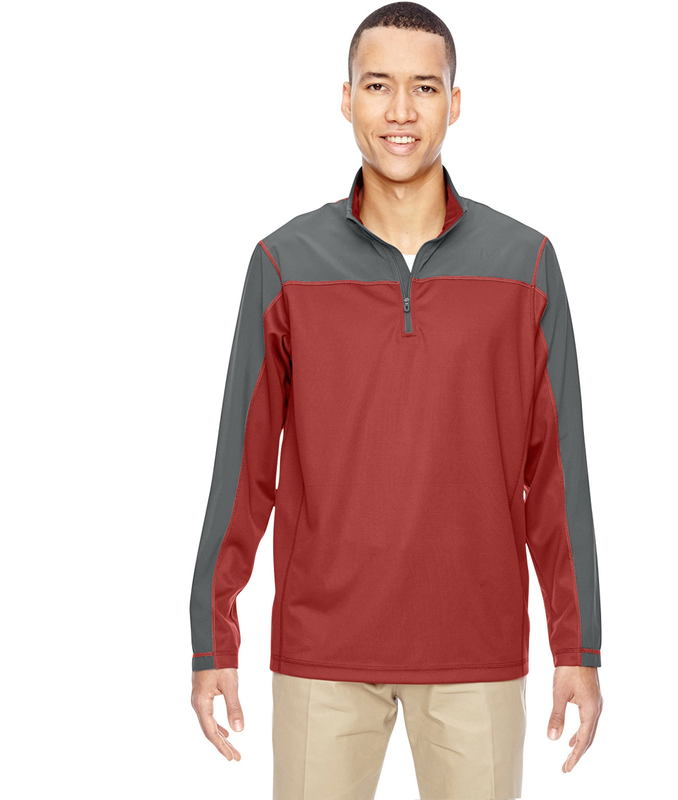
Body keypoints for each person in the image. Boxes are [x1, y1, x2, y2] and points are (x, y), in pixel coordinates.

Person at [189, 2, 603, 797]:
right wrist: (213, 639)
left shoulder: (525, 263)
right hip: (322, 653)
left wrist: (578, 648)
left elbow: (559, 474)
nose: (401, 111)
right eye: (378, 86)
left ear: (456, 102)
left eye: (425, 87)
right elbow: (242, 469)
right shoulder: (284, 263)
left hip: (476, 652)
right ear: (346, 99)